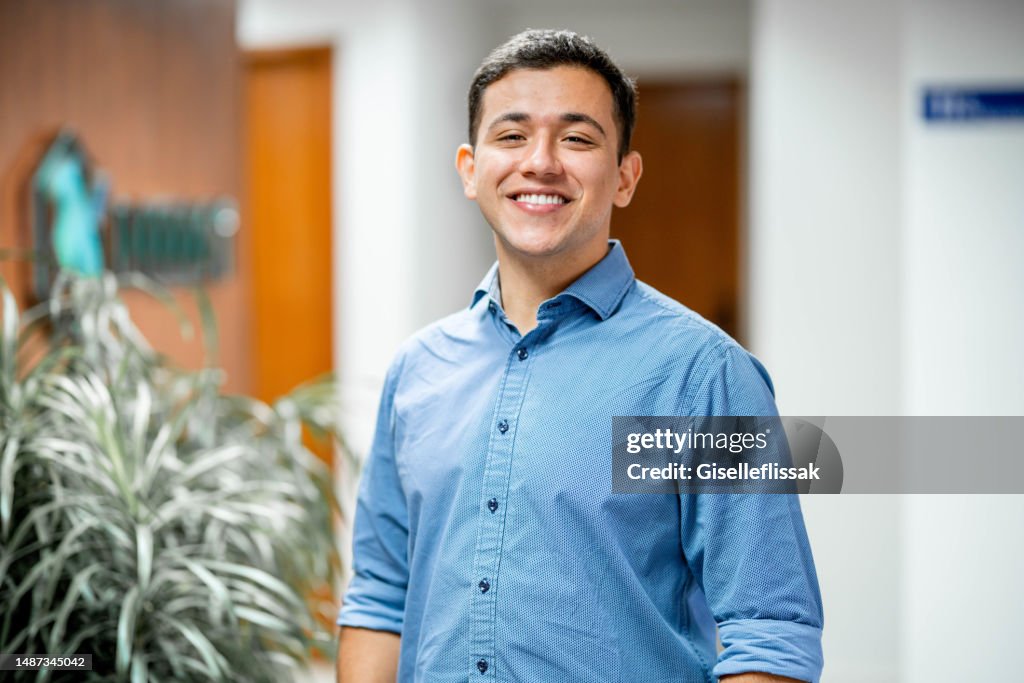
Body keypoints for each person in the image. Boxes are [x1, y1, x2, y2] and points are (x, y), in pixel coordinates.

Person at [337, 29, 823, 683]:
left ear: (624, 176)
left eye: (577, 138)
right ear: (469, 169)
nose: (540, 162)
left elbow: (769, 628)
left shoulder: (706, 375)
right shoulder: (419, 371)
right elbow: (381, 596)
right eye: (511, 136)